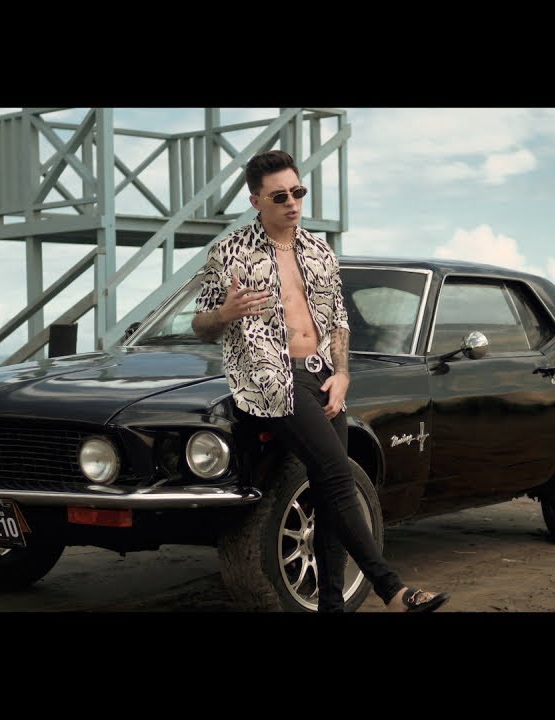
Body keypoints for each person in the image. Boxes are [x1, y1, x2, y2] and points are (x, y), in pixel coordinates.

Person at [191, 149, 450, 613]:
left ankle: (332, 607)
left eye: (298, 192)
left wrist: (343, 373)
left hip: (322, 376)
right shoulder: (230, 252)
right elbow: (200, 325)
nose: (292, 202)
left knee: (329, 490)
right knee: (336, 474)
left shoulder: (318, 250)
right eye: (279, 196)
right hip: (271, 380)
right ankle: (392, 590)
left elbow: (338, 320)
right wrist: (225, 313)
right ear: (256, 201)